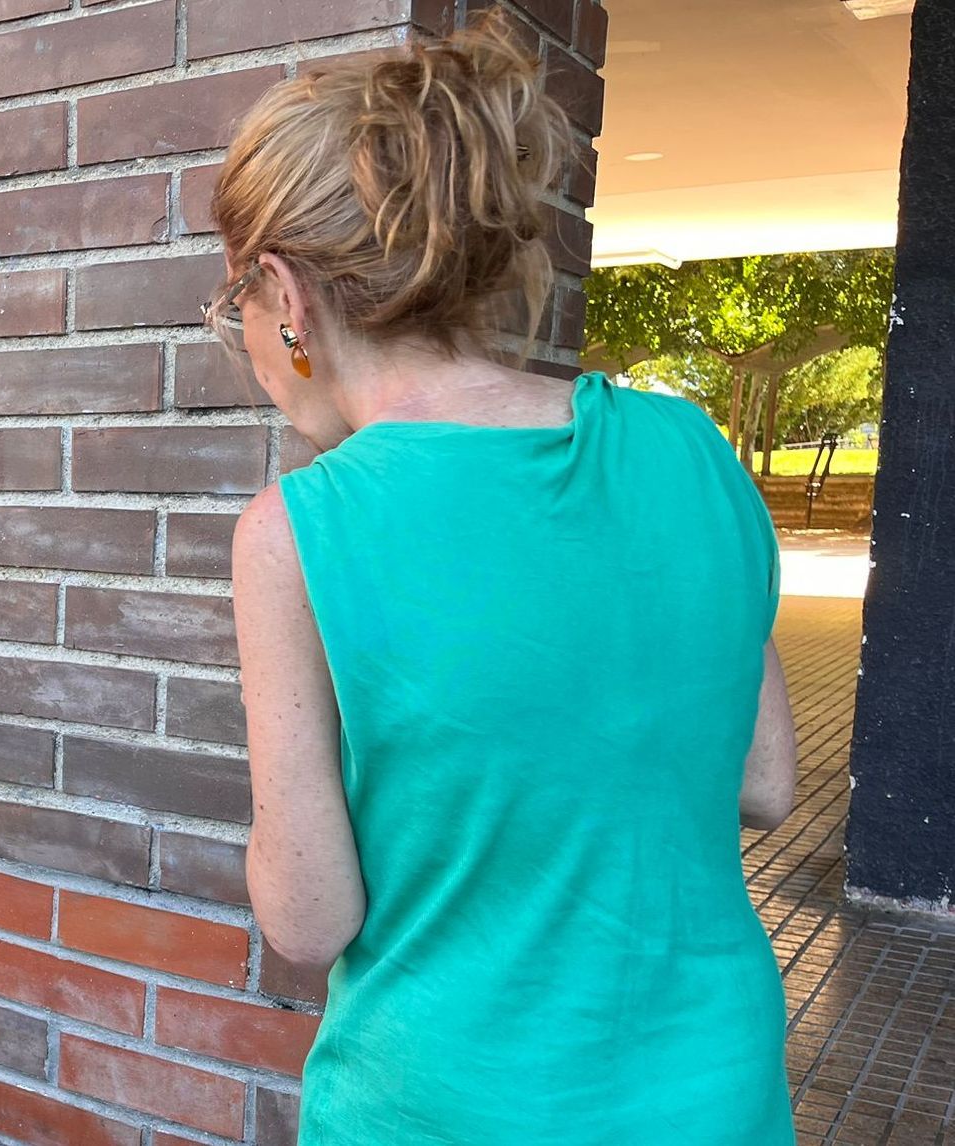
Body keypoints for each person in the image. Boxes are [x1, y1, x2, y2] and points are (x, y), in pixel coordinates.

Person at [206, 17, 798, 1144]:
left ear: (284, 293)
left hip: (445, 1106)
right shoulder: (689, 452)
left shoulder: (298, 532)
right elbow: (765, 780)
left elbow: (309, 918)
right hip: (715, 1096)